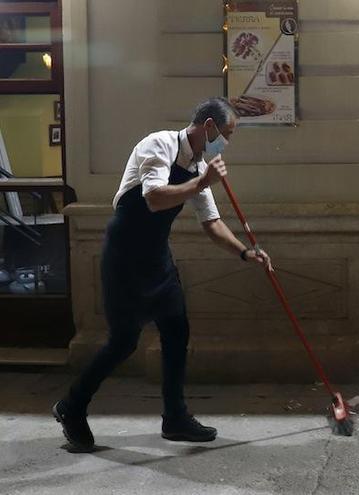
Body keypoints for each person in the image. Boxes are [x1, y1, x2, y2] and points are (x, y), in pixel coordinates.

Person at [53, 97, 270, 453]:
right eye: (227, 133)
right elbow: (154, 198)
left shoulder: (198, 164)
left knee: (176, 330)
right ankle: (71, 406)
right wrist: (202, 182)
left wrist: (246, 252)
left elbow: (212, 223)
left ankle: (175, 417)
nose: (228, 142)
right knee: (123, 342)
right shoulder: (158, 144)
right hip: (124, 256)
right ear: (209, 127)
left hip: (157, 258)